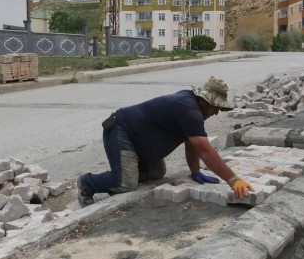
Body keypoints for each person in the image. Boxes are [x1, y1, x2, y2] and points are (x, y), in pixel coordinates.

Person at [76, 76, 254, 206]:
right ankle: (87, 182)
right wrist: (233, 180)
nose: (216, 112)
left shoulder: (193, 106)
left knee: (157, 173)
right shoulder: (188, 110)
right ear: (205, 100)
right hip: (121, 131)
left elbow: (192, 143)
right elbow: (206, 151)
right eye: (216, 107)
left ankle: (126, 172)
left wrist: (195, 171)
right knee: (126, 183)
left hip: (139, 140)